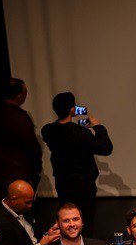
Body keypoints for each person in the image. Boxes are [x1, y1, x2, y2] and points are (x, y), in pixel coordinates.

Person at [40, 92, 113, 231]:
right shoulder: (81, 133)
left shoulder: (48, 130)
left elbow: (62, 132)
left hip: (62, 182)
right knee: (85, 219)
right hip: (83, 184)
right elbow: (106, 148)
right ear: (73, 110)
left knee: (66, 216)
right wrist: (98, 127)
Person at [0, 77, 42, 189]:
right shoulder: (20, 117)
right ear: (19, 95)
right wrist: (37, 166)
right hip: (20, 174)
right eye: (25, 93)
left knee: (4, 204)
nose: (26, 95)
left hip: (0, 172)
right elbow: (32, 146)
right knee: (23, 205)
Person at [0, 180, 59, 245]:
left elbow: (33, 236)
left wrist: (48, 235)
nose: (30, 206)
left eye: (31, 202)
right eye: (27, 202)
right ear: (13, 199)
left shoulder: (23, 210)